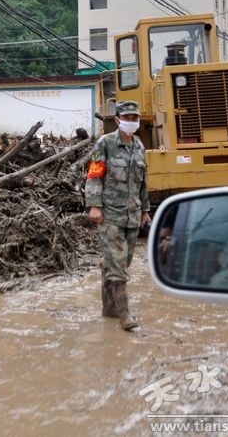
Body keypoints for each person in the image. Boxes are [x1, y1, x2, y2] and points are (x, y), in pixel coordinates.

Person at [85, 100, 151, 331]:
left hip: (132, 216)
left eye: (135, 118)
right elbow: (94, 175)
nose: (131, 121)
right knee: (117, 264)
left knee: (120, 262)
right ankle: (124, 314)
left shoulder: (140, 146)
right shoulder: (105, 144)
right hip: (110, 214)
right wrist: (94, 206)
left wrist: (145, 211)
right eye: (127, 117)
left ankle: (109, 309)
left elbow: (143, 182)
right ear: (117, 120)